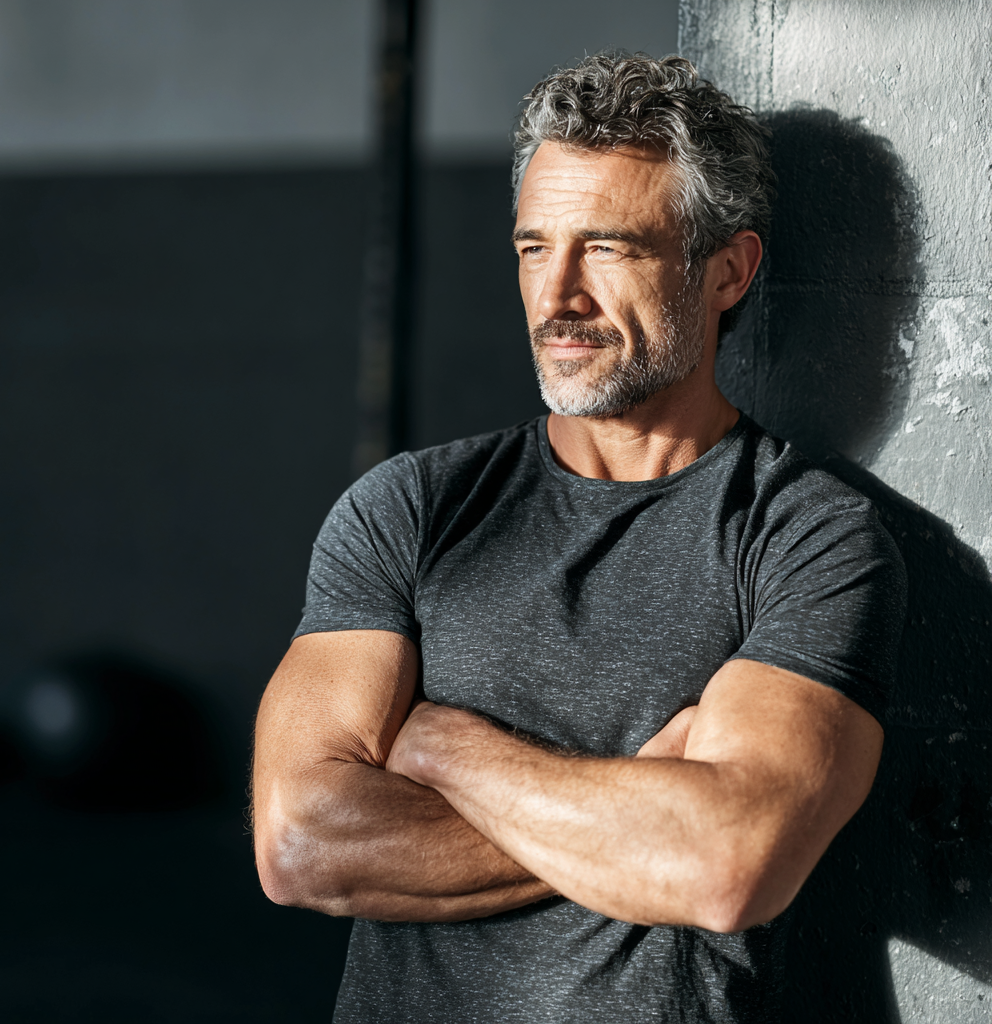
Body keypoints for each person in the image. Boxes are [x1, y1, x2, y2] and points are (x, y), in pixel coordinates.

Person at [252, 53, 907, 1023]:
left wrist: (444, 749)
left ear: (727, 269)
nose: (556, 295)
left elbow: (724, 864)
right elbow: (302, 841)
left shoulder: (806, 535)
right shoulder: (413, 508)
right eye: (532, 248)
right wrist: (645, 804)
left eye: (607, 248)